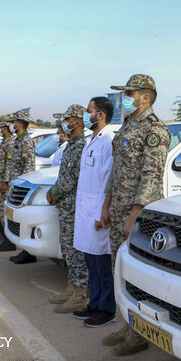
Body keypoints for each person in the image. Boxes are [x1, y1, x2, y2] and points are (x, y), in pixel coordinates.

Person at [100, 74, 171, 356]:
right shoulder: (128, 125)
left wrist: (134, 216)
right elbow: (116, 170)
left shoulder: (155, 130)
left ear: (145, 97)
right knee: (120, 271)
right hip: (118, 210)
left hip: (137, 216)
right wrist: (107, 204)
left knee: (135, 275)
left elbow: (151, 178)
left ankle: (140, 333)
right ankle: (128, 325)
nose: (124, 99)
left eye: (128, 93)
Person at [72, 97, 116, 327]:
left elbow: (108, 178)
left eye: (89, 111)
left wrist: (103, 212)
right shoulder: (93, 139)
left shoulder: (108, 140)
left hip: (97, 212)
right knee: (91, 261)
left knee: (101, 263)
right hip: (86, 210)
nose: (86, 116)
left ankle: (107, 309)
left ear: (100, 115)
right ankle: (95, 303)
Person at [46, 104, 88, 313]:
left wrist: (54, 192)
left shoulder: (81, 145)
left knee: (74, 249)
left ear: (78, 122)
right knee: (67, 248)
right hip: (66, 205)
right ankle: (71, 286)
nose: (64, 123)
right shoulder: (71, 144)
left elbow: (70, 178)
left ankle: (81, 293)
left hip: (73, 206)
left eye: (67, 119)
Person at [5, 110, 37, 264]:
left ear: (21, 124)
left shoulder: (26, 142)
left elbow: (29, 167)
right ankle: (24, 250)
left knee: (23, 220)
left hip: (22, 189)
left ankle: (28, 253)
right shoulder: (18, 140)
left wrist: (23, 191)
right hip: (15, 186)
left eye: (14, 122)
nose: (12, 125)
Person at [0, 120, 16, 251]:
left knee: (4, 213)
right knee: (1, 212)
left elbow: (9, 164)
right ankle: (6, 239)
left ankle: (9, 241)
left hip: (4, 184)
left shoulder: (10, 143)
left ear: (5, 128)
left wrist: (5, 181)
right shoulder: (4, 142)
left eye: (0, 127)